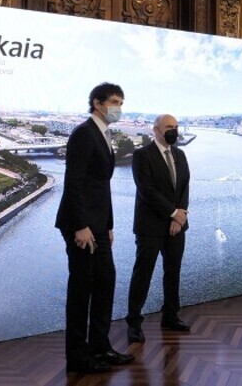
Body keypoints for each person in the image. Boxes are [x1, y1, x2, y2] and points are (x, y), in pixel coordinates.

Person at [55, 82, 134, 374]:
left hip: (98, 225)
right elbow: (73, 183)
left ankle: (100, 347)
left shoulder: (104, 133)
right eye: (114, 101)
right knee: (82, 290)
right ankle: (77, 358)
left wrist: (108, 225)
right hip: (81, 225)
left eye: (121, 102)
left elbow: (101, 186)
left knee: (105, 282)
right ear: (97, 103)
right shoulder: (84, 134)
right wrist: (80, 226)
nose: (119, 108)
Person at [125, 113, 191, 343]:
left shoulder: (180, 155)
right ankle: (134, 322)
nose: (173, 130)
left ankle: (170, 316)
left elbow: (184, 187)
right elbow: (147, 190)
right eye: (168, 127)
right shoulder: (142, 156)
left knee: (173, 273)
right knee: (143, 274)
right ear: (155, 130)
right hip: (150, 227)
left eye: (176, 126)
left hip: (176, 226)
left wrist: (179, 216)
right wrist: (173, 213)